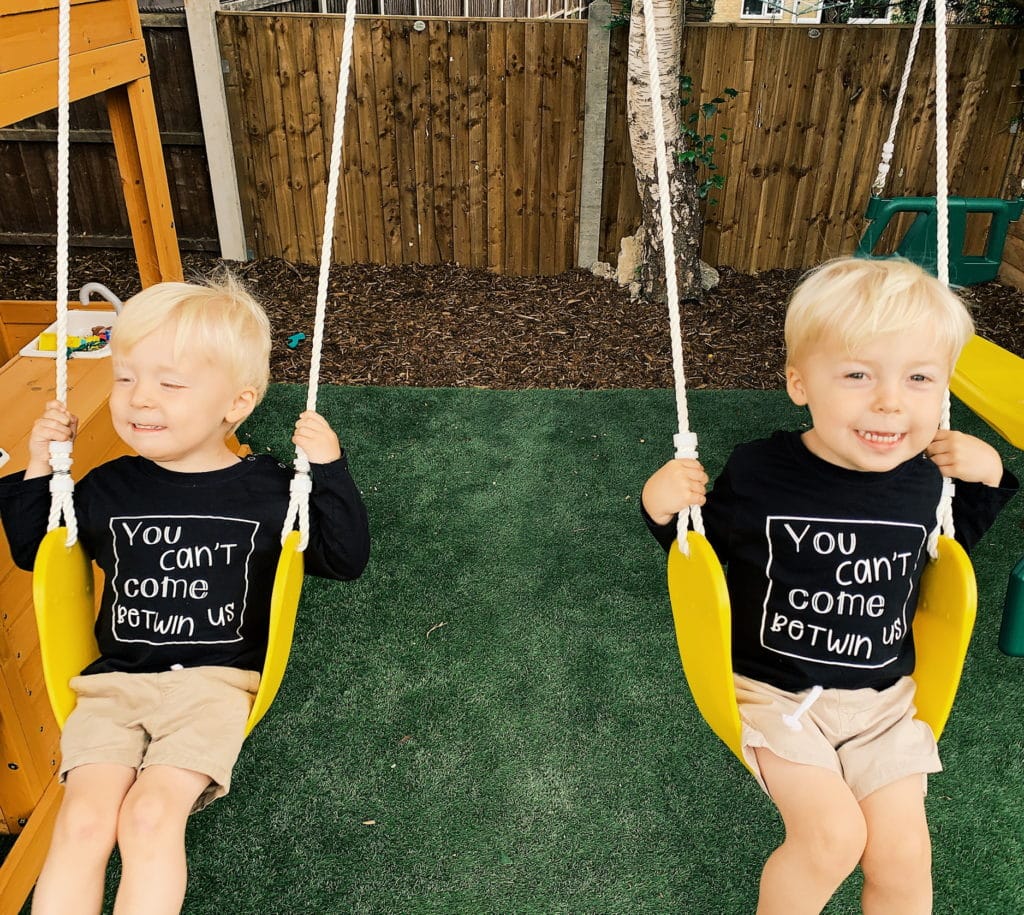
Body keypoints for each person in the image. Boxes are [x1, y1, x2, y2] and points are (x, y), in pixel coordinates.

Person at [641, 257, 1018, 915]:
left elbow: (944, 567)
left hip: (884, 706)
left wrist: (986, 476)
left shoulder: (928, 482)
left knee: (903, 857)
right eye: (856, 374)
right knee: (832, 837)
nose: (890, 401)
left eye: (920, 378)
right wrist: (662, 504)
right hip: (773, 694)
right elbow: (700, 557)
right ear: (798, 382)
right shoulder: (760, 471)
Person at [0, 275, 370, 915]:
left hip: (214, 687)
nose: (140, 399)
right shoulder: (104, 487)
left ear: (236, 403)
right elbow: (38, 552)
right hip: (110, 686)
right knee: (84, 822)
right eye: (125, 378)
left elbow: (343, 560)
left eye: (169, 384)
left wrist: (329, 470)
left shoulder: (271, 493)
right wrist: (39, 466)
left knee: (147, 817)